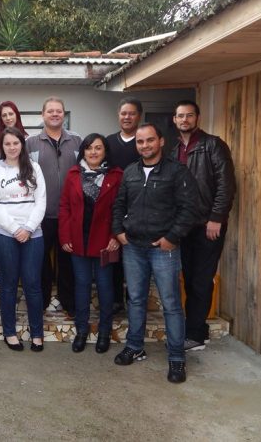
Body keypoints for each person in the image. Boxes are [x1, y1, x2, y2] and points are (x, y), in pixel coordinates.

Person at [112, 123, 198, 383]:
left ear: (161, 141)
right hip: (133, 247)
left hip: (163, 248)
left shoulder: (177, 171)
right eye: (140, 142)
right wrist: (119, 232)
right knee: (135, 300)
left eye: (150, 140)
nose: (145, 145)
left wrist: (172, 238)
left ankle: (177, 358)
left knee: (171, 304)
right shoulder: (130, 172)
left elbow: (189, 208)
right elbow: (119, 204)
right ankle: (135, 346)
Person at [170, 100, 236, 351]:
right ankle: (198, 329)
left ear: (197, 118)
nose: (184, 120)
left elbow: (226, 184)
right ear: (175, 120)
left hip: (208, 225)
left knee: (201, 280)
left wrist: (216, 218)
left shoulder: (213, 145)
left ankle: (195, 335)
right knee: (189, 279)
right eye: (180, 116)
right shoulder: (175, 150)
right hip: (186, 225)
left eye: (189, 115)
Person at [59, 134, 123, 353]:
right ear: (83, 152)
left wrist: (115, 236)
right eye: (89, 148)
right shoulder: (73, 174)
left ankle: (104, 331)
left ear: (105, 151)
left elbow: (121, 208)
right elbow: (65, 207)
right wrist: (65, 236)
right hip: (78, 240)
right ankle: (82, 331)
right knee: (82, 285)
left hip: (105, 241)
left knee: (105, 287)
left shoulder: (116, 175)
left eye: (98, 148)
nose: (93, 152)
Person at [0, 127, 46, 352]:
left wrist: (28, 228)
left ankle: (37, 334)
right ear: (2, 147)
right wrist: (15, 229)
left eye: (15, 143)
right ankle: (10, 333)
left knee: (33, 284)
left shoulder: (34, 168)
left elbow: (41, 201)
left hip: (33, 233)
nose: (12, 147)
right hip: (4, 234)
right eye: (7, 144)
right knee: (9, 284)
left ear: (22, 144)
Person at [26, 97, 81, 317]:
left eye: (59, 111)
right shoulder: (31, 143)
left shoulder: (77, 141)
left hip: (69, 214)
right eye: (50, 111)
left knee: (68, 261)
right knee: (40, 261)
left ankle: (69, 303)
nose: (55, 114)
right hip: (41, 214)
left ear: (64, 114)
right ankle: (41, 301)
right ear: (43, 115)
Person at [106, 97, 142, 315]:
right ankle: (116, 299)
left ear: (139, 116)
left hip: (140, 207)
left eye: (132, 113)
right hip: (114, 207)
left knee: (136, 257)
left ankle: (135, 301)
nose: (127, 117)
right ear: (118, 115)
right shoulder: (109, 142)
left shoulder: (144, 141)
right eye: (123, 113)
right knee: (114, 256)